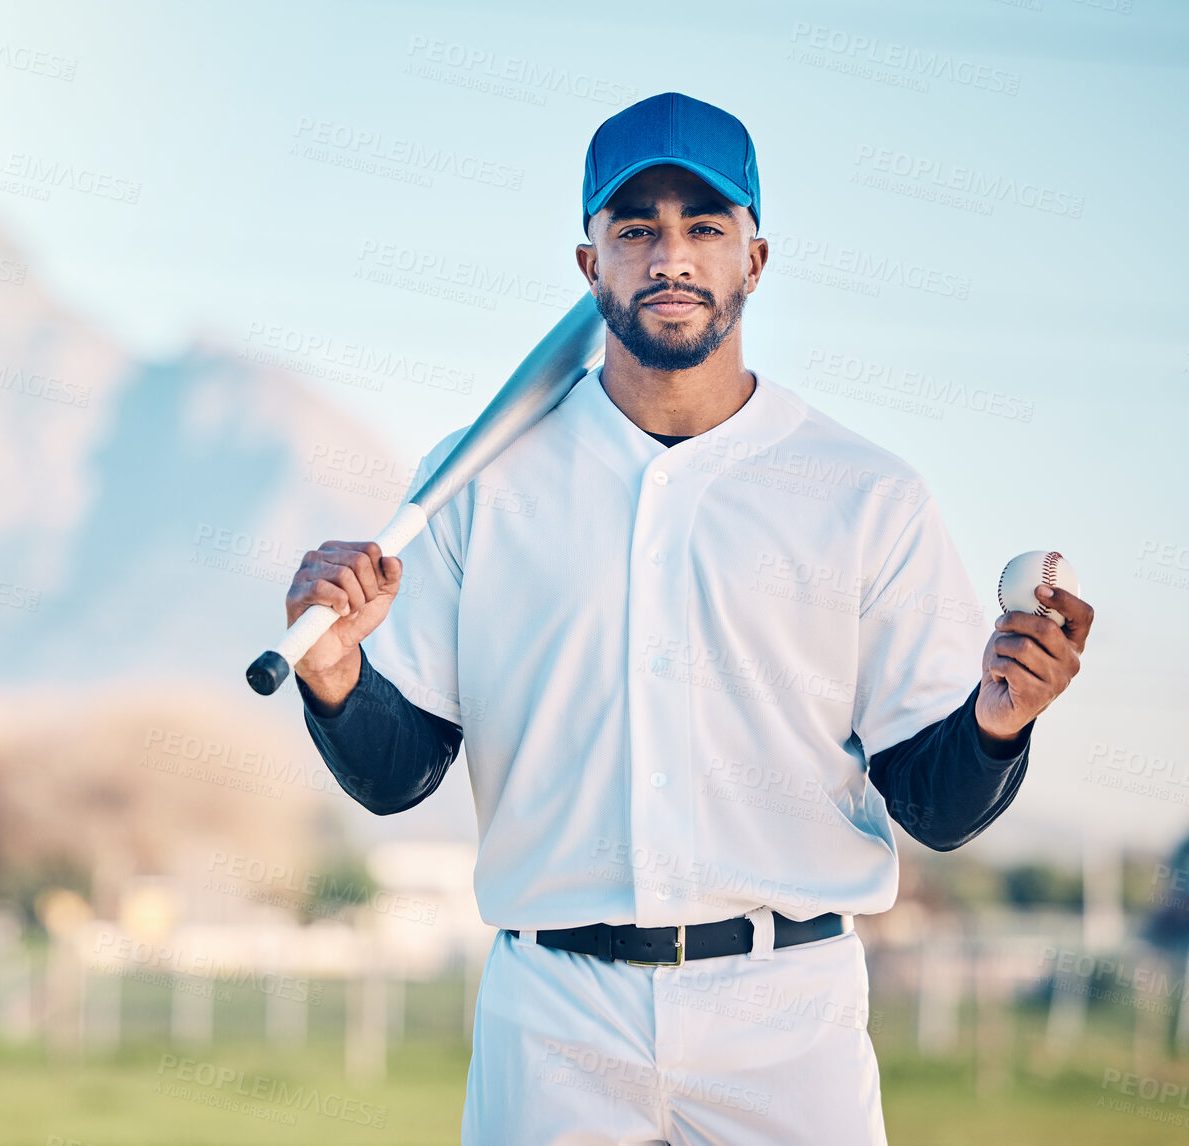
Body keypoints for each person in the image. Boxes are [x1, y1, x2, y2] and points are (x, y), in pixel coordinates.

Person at [280, 92, 1093, 1145]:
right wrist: (338, 675)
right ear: (590, 267)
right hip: (553, 1014)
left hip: (786, 1014)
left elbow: (933, 807)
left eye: (705, 227)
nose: (672, 255)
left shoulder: (866, 493)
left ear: (754, 259)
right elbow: (399, 776)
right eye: (637, 230)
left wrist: (998, 717)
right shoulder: (471, 480)